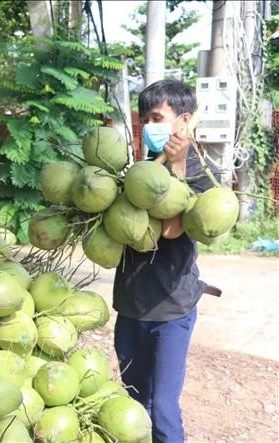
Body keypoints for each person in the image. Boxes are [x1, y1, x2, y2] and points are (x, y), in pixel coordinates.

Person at [113, 79, 221, 443]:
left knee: (162, 409)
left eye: (157, 117)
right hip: (130, 305)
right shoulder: (138, 172)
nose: (149, 125)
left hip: (171, 308)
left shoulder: (204, 176)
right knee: (133, 401)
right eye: (144, 119)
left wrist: (175, 166)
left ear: (184, 121)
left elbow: (173, 228)